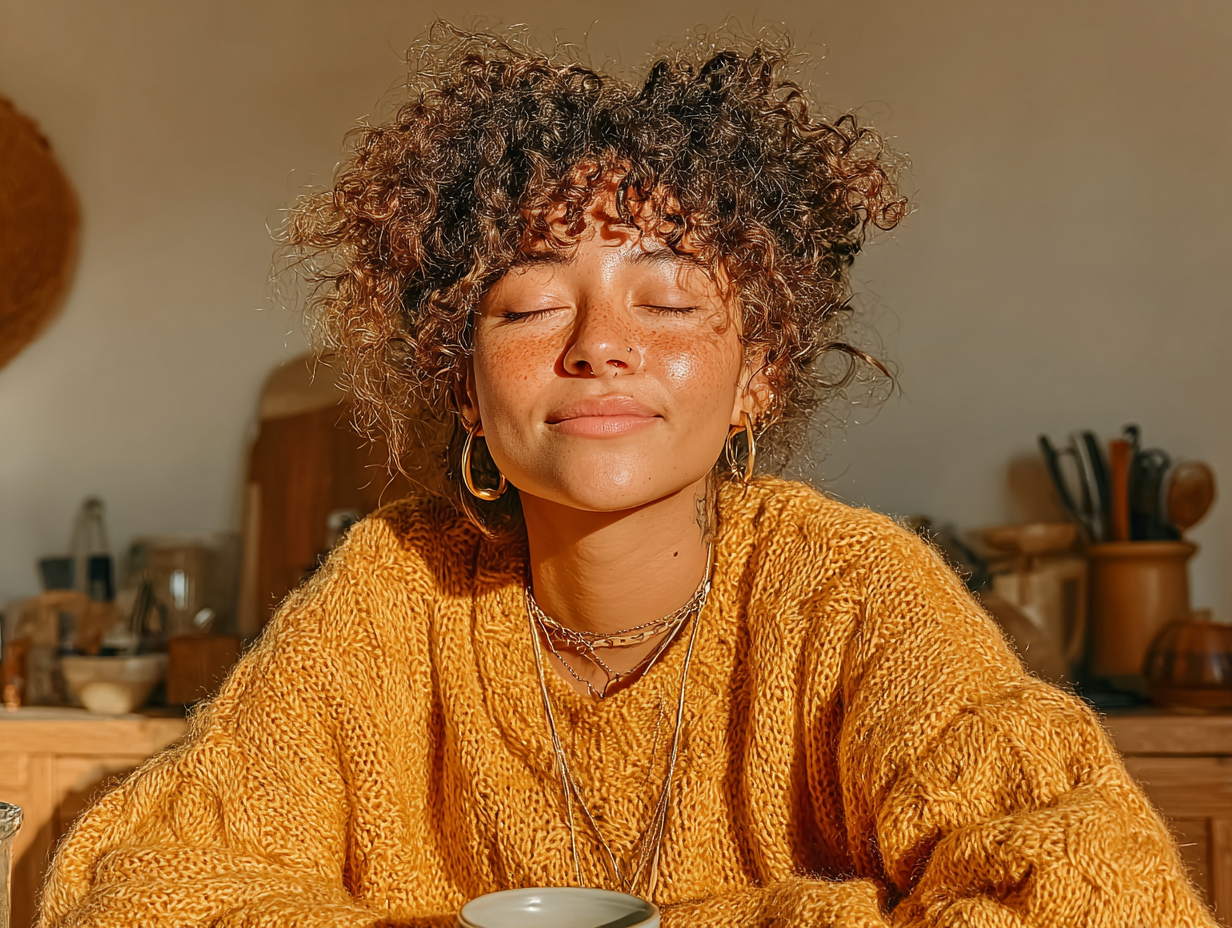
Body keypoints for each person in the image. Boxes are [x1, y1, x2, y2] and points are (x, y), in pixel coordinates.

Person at [40, 27, 1214, 928]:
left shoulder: (848, 594)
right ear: (462, 385)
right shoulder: (388, 597)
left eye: (666, 300)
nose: (600, 345)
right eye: (528, 304)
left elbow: (1100, 894)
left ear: (756, 373)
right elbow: (140, 890)